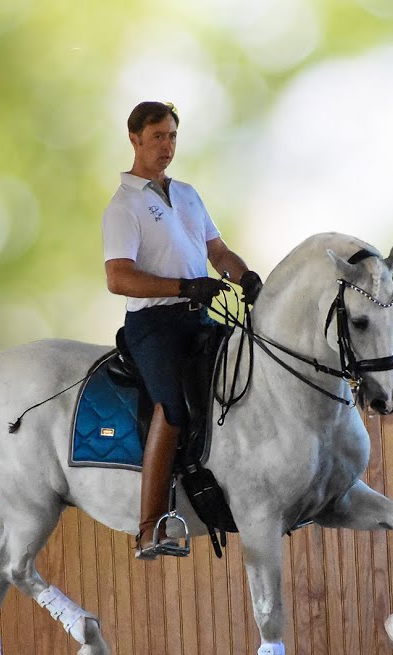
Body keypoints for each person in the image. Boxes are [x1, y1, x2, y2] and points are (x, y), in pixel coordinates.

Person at [102, 100, 264, 560]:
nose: (167, 146)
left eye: (172, 136)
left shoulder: (189, 194)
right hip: (153, 325)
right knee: (172, 407)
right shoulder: (123, 206)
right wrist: (183, 285)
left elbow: (218, 250)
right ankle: (149, 525)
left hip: (198, 317)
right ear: (134, 139)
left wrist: (245, 276)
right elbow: (118, 277)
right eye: (158, 137)